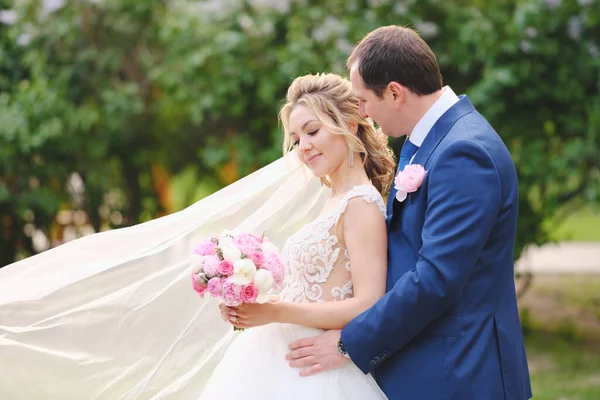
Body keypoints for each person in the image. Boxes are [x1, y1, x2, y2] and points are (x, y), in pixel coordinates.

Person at [283, 26, 533, 400]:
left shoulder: (464, 152)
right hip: (430, 364)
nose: (362, 113)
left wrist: (349, 343)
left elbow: (436, 278)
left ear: (395, 92)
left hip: (459, 371)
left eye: (364, 100)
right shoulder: (429, 143)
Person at [199, 72, 395, 399]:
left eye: (312, 131)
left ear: (349, 124)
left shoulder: (361, 203)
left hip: (319, 372)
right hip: (277, 361)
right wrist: (254, 303)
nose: (303, 147)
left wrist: (277, 312)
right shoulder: (333, 200)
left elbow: (368, 304)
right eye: (296, 138)